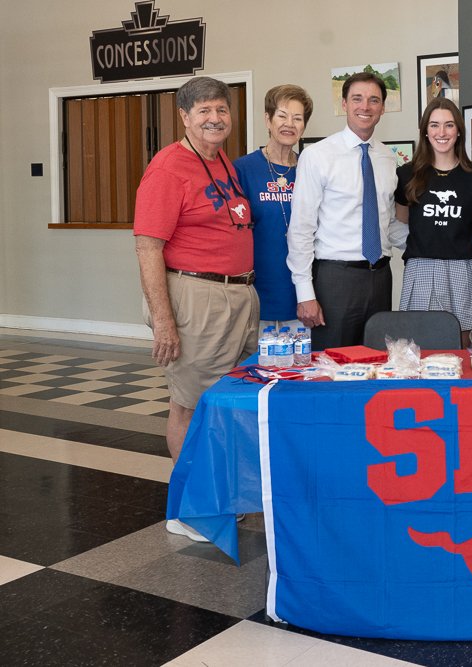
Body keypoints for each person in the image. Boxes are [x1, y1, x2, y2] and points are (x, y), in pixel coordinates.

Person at [134, 76, 258, 542]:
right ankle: (190, 508)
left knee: (224, 402)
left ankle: (217, 495)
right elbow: (148, 247)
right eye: (203, 110)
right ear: (184, 116)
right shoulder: (168, 167)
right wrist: (164, 321)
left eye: (221, 110)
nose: (214, 118)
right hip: (196, 297)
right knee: (190, 403)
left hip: (237, 296)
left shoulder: (220, 159)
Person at [286, 72, 403, 349]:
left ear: (382, 108)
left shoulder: (387, 158)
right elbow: (301, 228)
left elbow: (387, 221)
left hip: (381, 278)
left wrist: (435, 243)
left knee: (377, 365)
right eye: (357, 99)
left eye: (374, 100)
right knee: (331, 367)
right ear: (344, 104)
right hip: (335, 281)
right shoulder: (318, 156)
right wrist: (305, 293)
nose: (366, 107)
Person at [395, 98, 472, 347]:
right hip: (421, 268)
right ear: (425, 131)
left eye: (449, 125)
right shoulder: (407, 174)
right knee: (420, 345)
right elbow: (402, 221)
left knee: (465, 347)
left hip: (463, 269)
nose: (441, 132)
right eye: (434, 125)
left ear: (459, 131)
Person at [234, 84, 314, 331]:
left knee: (302, 367)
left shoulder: (311, 168)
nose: (289, 124)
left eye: (297, 118)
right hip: (258, 289)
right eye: (282, 116)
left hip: (303, 289)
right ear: (268, 120)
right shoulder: (242, 169)